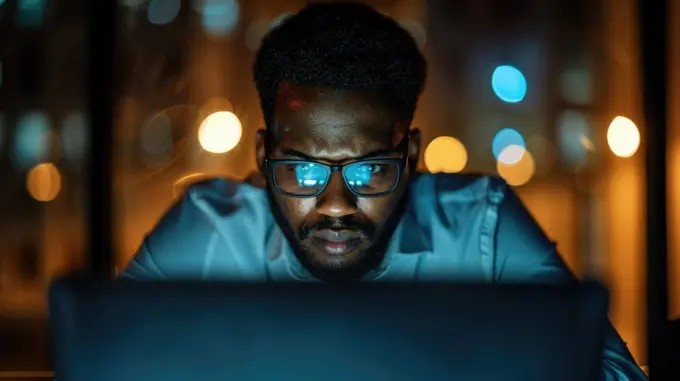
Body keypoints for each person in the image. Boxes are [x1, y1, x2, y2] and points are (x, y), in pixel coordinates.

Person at [122, 2, 647, 380]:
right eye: (303, 172)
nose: (333, 205)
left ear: (411, 158)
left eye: (369, 171)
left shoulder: (480, 228)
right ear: (263, 158)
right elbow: (99, 357)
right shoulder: (210, 232)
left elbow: (612, 372)